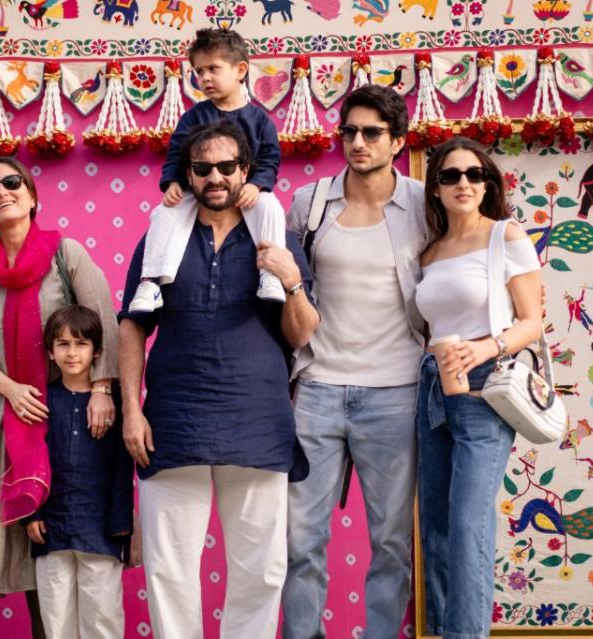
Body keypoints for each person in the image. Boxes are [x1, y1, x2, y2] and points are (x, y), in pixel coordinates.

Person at [119, 119, 319, 638]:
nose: (215, 177)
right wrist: (132, 411)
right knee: (169, 570)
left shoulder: (276, 239)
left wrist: (292, 280)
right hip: (174, 422)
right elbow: (132, 328)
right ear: (188, 173)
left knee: (262, 569)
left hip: (257, 423)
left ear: (245, 171)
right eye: (203, 167)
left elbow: (301, 335)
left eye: (227, 167)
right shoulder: (161, 238)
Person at [0, 157, 119, 636]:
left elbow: (103, 321)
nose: (2, 191)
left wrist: (103, 390)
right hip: (7, 421)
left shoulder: (66, 254)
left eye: (12, 182)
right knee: (25, 544)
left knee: (72, 532)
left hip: (73, 417)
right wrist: (11, 390)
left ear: (31, 194)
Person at [281, 84, 428, 639]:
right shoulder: (311, 203)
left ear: (397, 140)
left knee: (392, 539)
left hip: (396, 392)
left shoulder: (422, 204)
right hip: (316, 388)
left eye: (371, 133)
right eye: (349, 131)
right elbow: (285, 290)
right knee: (301, 538)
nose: (358, 142)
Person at [414, 137, 542, 639]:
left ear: (487, 183)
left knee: (469, 526)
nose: (463, 183)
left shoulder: (505, 236)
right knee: (438, 528)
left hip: (484, 391)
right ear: (437, 188)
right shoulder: (430, 250)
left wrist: (487, 348)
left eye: (474, 174)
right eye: (450, 176)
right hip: (431, 389)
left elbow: (533, 322)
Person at [128, 27, 287, 312]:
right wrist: (172, 182)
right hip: (198, 192)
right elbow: (177, 152)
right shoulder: (194, 116)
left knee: (271, 207)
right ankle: (151, 282)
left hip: (246, 192)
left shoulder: (259, 120)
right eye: (199, 71)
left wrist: (256, 185)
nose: (205, 78)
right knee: (163, 213)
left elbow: (270, 158)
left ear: (240, 70)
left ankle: (270, 274)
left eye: (213, 68)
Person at [24, 305, 133, 639]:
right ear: (50, 352)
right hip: (51, 530)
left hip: (100, 531)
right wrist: (32, 513)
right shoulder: (40, 401)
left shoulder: (113, 403)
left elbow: (121, 466)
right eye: (63, 344)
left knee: (103, 620)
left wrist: (120, 526)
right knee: (56, 622)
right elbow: (30, 460)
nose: (72, 352)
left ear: (97, 350)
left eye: (81, 344)